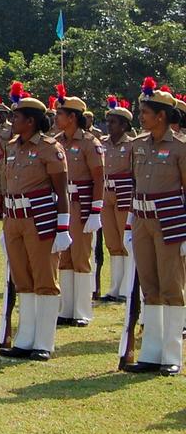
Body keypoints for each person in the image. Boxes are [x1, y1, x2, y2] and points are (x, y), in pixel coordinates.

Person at [0, 82, 71, 362]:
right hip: (14, 219)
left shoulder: (50, 148)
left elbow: (61, 189)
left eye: (17, 116)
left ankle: (44, 341)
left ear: (30, 121)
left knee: (44, 279)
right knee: (22, 279)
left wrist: (63, 227)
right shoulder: (12, 146)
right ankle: (25, 337)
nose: (12, 120)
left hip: (39, 218)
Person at [123, 80, 186, 376]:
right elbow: (134, 186)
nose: (140, 116)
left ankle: (172, 354)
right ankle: (151, 352)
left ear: (161, 116)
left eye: (145, 112)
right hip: (142, 220)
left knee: (172, 287)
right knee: (150, 287)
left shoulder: (180, 148)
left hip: (170, 221)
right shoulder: (137, 146)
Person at [52, 86, 104, 328]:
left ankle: (81, 310)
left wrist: (95, 211)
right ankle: (66, 308)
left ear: (72, 117)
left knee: (81, 257)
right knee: (64, 257)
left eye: (60, 114)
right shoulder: (56, 142)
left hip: (81, 203)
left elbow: (99, 178)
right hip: (63, 203)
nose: (56, 118)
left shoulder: (89, 143)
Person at [100, 96, 137, 303]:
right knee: (112, 241)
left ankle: (126, 287)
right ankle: (115, 286)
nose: (109, 125)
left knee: (125, 240)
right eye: (108, 121)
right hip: (106, 193)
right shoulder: (103, 144)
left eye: (114, 122)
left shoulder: (131, 145)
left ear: (124, 125)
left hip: (124, 193)